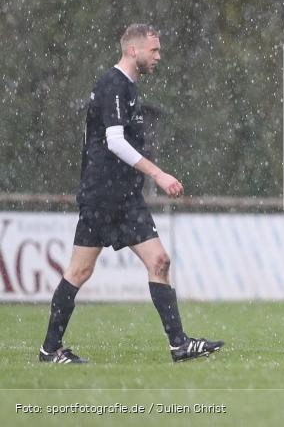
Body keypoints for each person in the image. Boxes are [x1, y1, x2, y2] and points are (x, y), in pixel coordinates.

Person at [39, 24, 224, 364]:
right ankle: (50, 350)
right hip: (101, 196)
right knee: (79, 272)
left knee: (160, 261)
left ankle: (179, 345)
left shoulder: (130, 88)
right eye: (154, 50)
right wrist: (159, 173)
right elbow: (115, 141)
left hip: (126, 197)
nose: (159, 56)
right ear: (133, 50)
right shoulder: (113, 84)